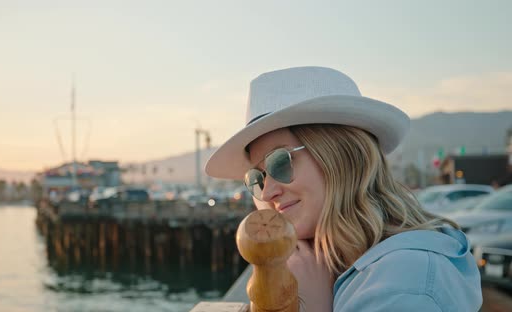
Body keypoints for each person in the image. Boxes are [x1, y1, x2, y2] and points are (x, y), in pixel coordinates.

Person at [205, 67, 482, 311]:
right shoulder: (343, 263)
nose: (267, 193)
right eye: (257, 177)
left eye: (280, 162)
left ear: (342, 156)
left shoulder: (407, 283)